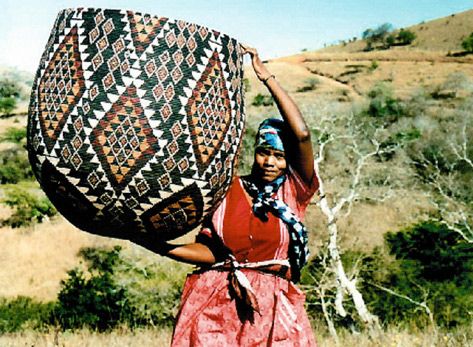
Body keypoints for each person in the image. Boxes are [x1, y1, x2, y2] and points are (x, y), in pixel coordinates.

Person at [137, 46, 318, 346]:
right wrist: (156, 246)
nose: (270, 162)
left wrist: (266, 77)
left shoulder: (294, 191)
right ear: (255, 153)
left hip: (273, 310)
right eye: (264, 153)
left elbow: (302, 136)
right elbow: (211, 253)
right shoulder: (226, 188)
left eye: (279, 156)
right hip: (215, 305)